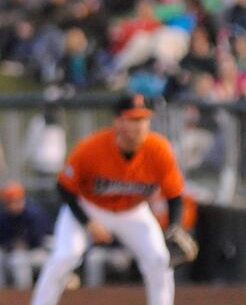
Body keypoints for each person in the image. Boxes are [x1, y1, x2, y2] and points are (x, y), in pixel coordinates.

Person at [31, 94, 187, 305]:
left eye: (144, 119)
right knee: (64, 256)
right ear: (118, 122)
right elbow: (64, 187)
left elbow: (175, 194)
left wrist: (174, 227)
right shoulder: (92, 147)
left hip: (133, 211)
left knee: (159, 259)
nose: (141, 125)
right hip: (89, 207)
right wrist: (88, 222)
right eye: (134, 119)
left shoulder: (159, 149)